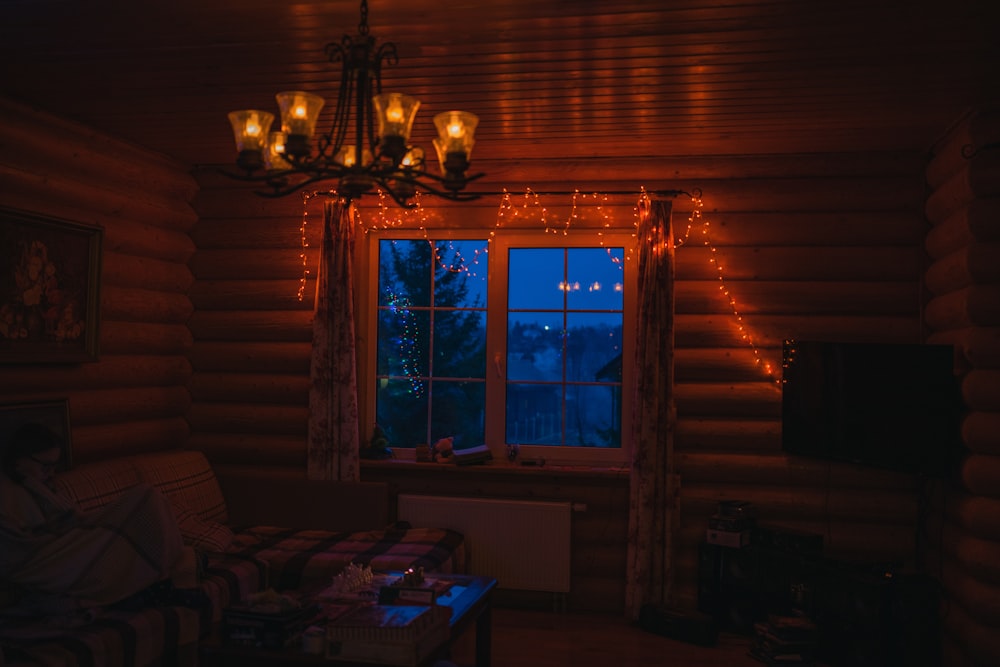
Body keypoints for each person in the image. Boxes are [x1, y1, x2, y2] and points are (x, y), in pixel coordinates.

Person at [0, 423, 186, 613]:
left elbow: (73, 519)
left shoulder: (46, 487)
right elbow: (22, 545)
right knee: (146, 497)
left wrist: (99, 522)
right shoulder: (8, 490)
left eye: (55, 467)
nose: (52, 473)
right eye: (46, 466)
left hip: (70, 544)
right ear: (20, 459)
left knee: (149, 499)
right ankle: (160, 582)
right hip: (48, 560)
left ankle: (160, 578)